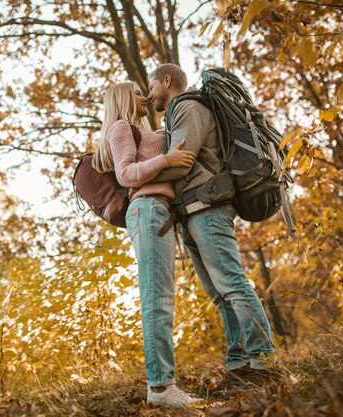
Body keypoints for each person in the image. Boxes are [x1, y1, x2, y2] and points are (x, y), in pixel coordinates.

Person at [146, 64, 278, 396]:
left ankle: (265, 363)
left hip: (208, 207)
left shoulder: (188, 105)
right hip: (193, 210)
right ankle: (240, 366)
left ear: (166, 81)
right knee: (220, 295)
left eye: (151, 85)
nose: (149, 94)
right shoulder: (179, 109)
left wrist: (136, 183)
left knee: (233, 286)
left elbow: (183, 159)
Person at [92, 82, 200, 407]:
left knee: (163, 296)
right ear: (125, 98)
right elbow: (125, 174)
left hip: (160, 212)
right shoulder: (121, 127)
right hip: (148, 209)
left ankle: (163, 385)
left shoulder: (143, 128)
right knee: (157, 298)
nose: (144, 96)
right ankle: (161, 388)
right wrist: (166, 160)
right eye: (138, 92)